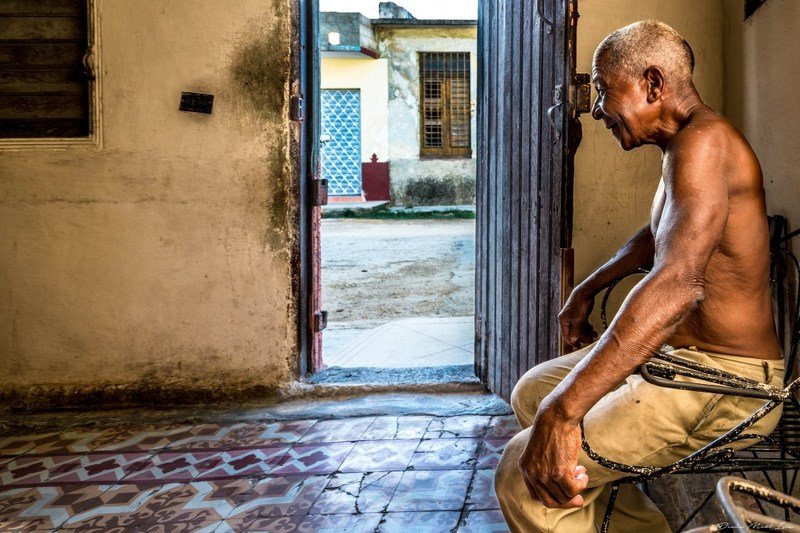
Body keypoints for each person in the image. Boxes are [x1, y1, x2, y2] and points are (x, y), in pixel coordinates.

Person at [494, 20, 784, 532]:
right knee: (532, 393)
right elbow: (658, 235)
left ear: (652, 84)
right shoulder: (686, 146)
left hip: (726, 383)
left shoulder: (705, 144)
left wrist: (566, 414)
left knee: (523, 473)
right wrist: (588, 289)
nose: (599, 108)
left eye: (605, 91)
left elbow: (677, 284)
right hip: (682, 362)